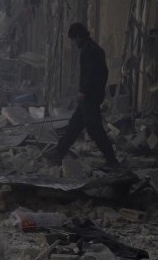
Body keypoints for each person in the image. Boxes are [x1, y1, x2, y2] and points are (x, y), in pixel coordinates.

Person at [43, 22, 119, 168]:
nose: (73, 42)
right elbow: (104, 73)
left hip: (89, 98)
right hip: (92, 96)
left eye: (73, 39)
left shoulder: (88, 51)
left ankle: (112, 160)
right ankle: (59, 153)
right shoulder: (95, 49)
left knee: (95, 130)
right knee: (74, 126)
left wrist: (83, 91)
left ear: (79, 36)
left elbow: (91, 74)